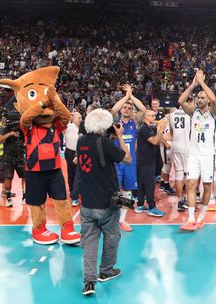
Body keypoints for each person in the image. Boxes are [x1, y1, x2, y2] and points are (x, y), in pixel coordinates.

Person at [76, 109, 132, 296]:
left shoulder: (81, 141)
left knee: (90, 242)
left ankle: (89, 282)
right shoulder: (106, 144)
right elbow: (127, 158)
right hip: (106, 204)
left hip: (87, 203)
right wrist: (120, 137)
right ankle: (106, 270)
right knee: (112, 236)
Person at [178, 69, 216, 231]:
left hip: (208, 155)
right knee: (191, 184)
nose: (199, 99)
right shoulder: (193, 112)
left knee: (207, 186)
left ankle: (202, 216)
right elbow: (181, 100)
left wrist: (202, 82)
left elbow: (214, 99)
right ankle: (191, 218)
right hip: (193, 155)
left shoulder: (214, 114)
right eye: (198, 97)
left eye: (202, 98)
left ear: (207, 101)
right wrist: (193, 85)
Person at [110, 84, 146, 232]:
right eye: (124, 108)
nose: (126, 109)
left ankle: (122, 220)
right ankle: (112, 219)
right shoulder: (115, 123)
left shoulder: (135, 123)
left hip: (130, 163)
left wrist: (131, 95)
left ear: (132, 112)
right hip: (116, 162)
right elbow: (113, 110)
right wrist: (126, 97)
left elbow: (143, 110)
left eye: (129, 108)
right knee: (114, 191)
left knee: (128, 191)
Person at [135, 110, 166, 217]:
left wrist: (160, 129)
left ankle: (139, 205)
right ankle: (151, 207)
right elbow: (154, 141)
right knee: (149, 185)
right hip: (145, 161)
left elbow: (160, 139)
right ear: (145, 117)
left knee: (143, 184)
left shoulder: (151, 128)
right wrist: (161, 128)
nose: (155, 116)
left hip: (149, 160)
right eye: (152, 115)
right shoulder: (143, 128)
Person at [169, 98, 192, 211]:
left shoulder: (172, 114)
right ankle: (187, 200)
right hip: (187, 147)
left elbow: (172, 132)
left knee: (178, 174)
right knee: (188, 175)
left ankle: (180, 200)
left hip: (175, 145)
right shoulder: (190, 115)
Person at [1, 111, 27, 206]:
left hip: (20, 155)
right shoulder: (7, 129)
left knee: (25, 176)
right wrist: (10, 134)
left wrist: (24, 145)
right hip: (8, 156)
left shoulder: (22, 129)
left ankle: (25, 196)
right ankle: (8, 198)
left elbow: (27, 140)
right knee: (8, 177)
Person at [64, 112, 82, 206]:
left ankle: (79, 190)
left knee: (81, 173)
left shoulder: (83, 128)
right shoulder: (69, 126)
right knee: (71, 172)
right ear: (73, 118)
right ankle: (72, 191)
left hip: (81, 152)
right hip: (70, 152)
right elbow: (63, 119)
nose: (80, 119)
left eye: (81, 117)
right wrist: (68, 114)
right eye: (78, 117)